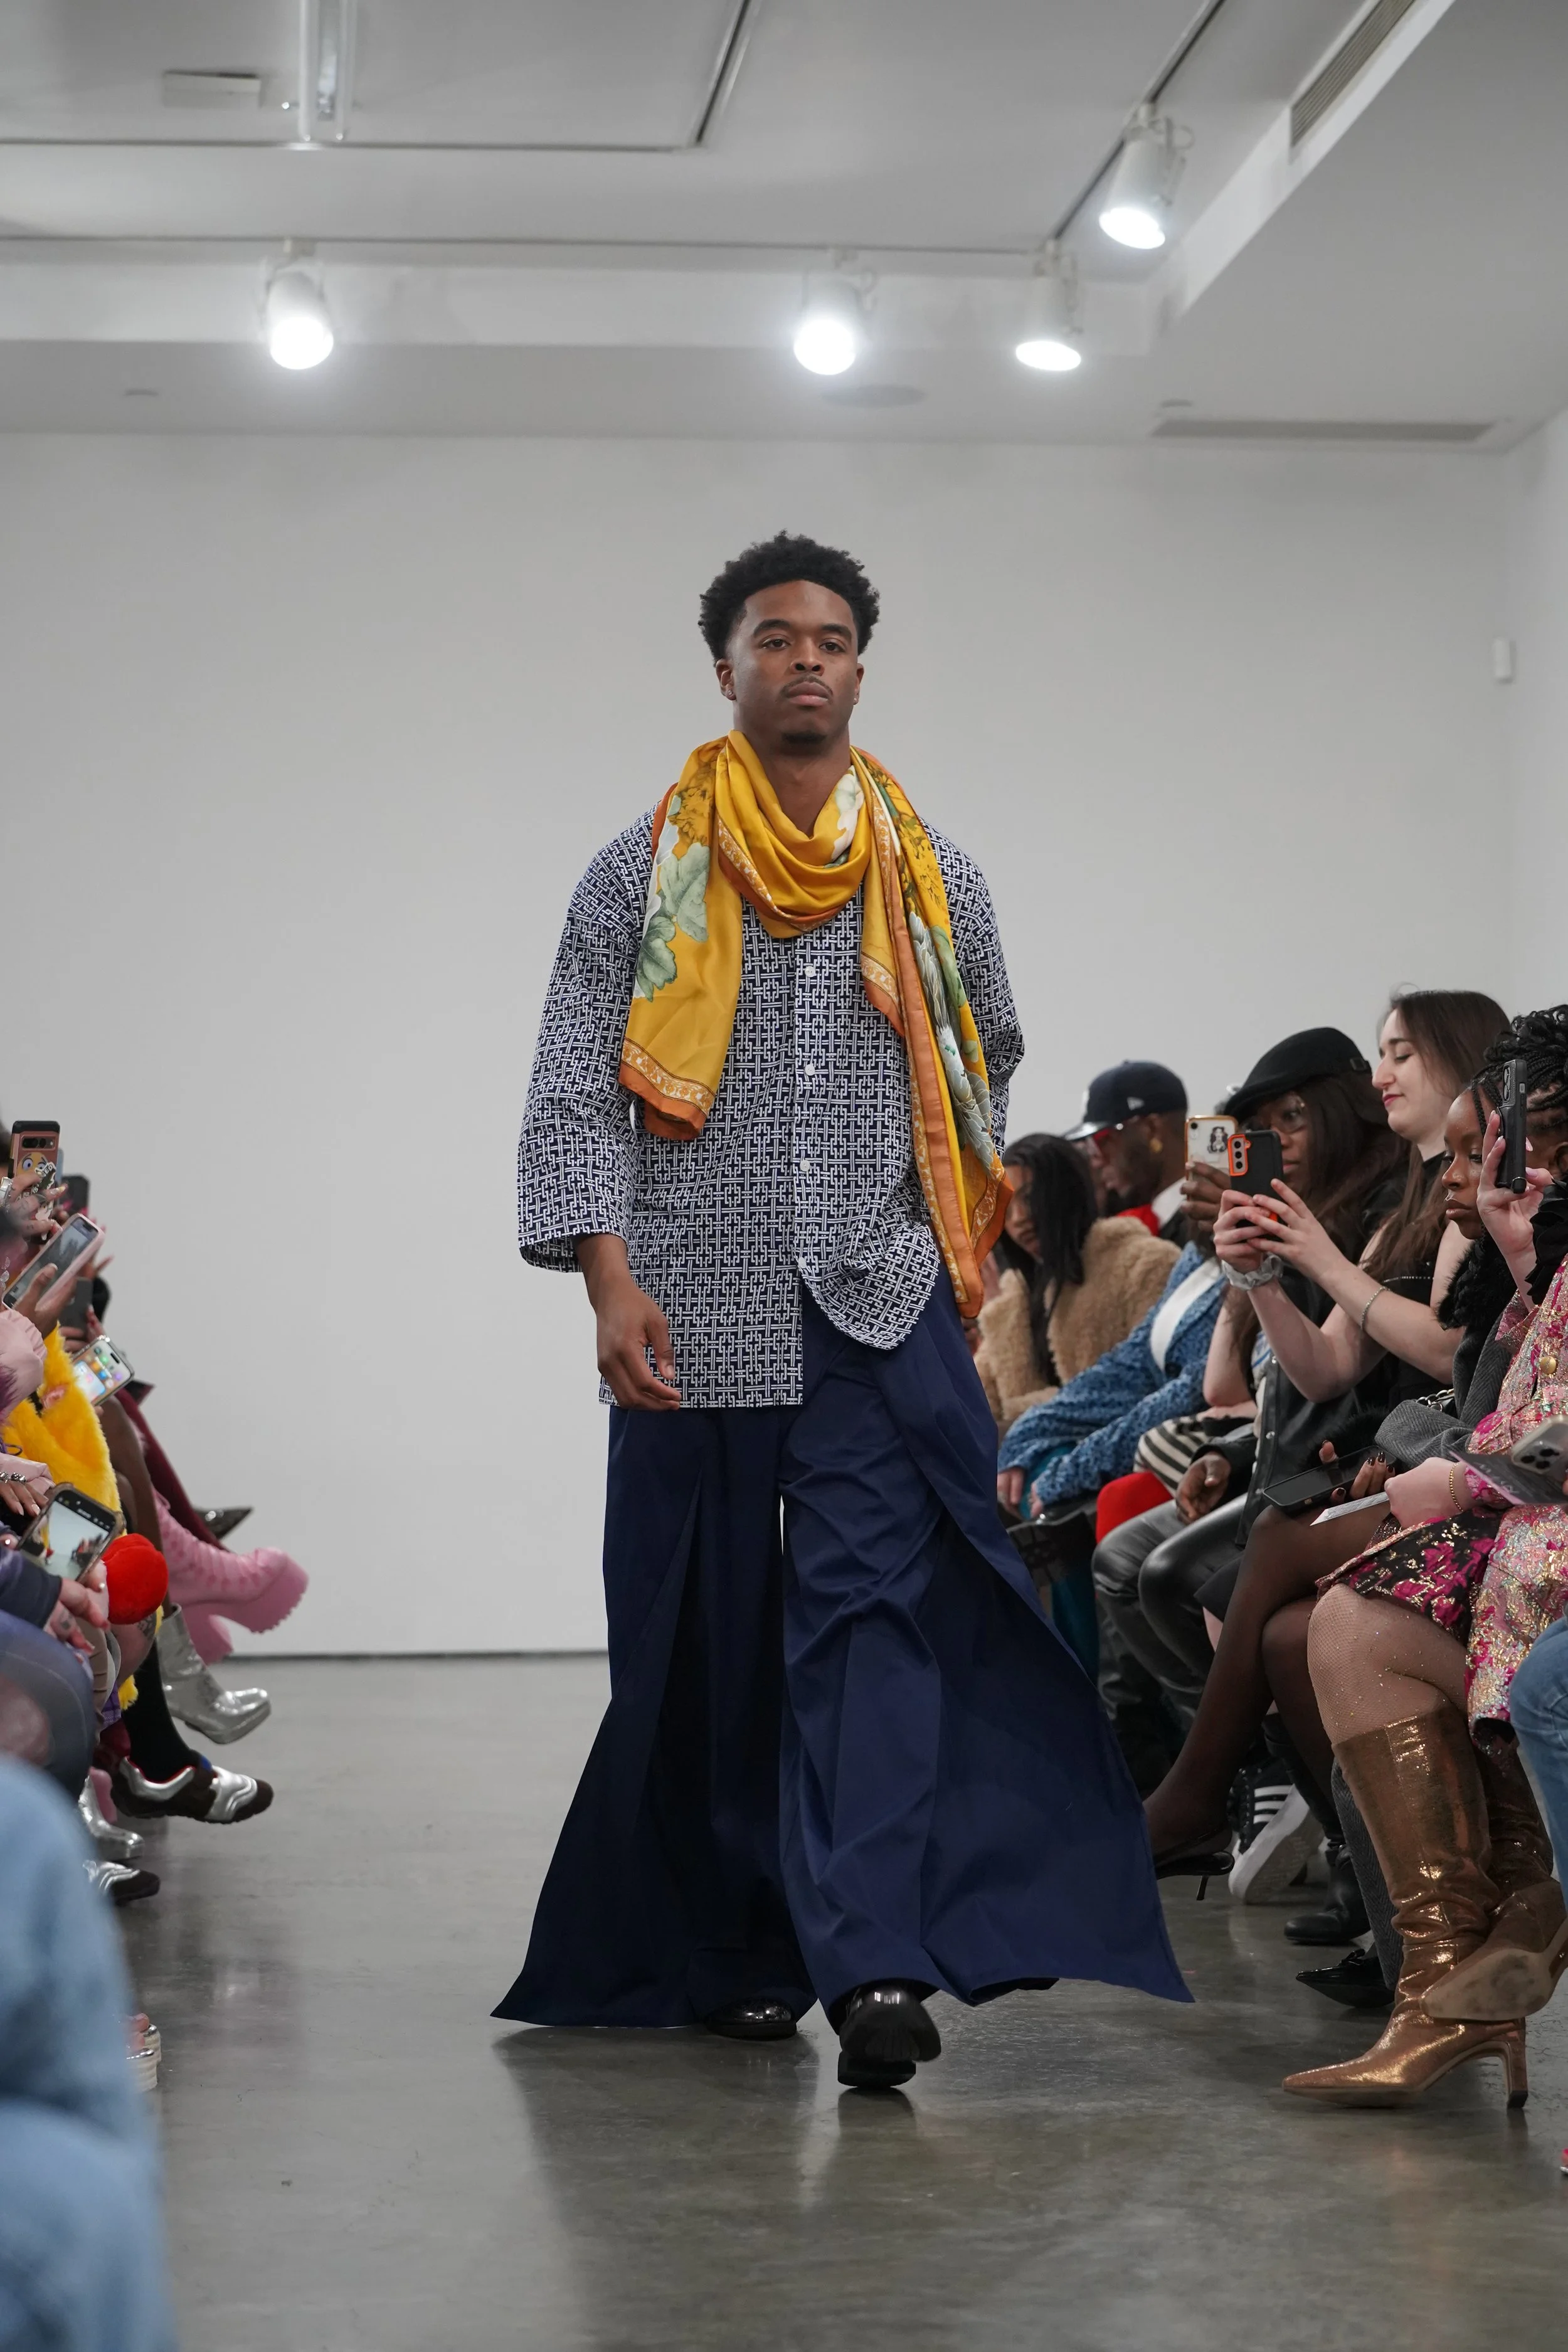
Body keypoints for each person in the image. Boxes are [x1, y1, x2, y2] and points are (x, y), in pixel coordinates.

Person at [494, 530, 1186, 2090]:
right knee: (710, 1635)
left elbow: (987, 1045)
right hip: (691, 1307)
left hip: (877, 1308)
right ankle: (736, 1944)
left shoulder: (933, 872)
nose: (804, 659)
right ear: (725, 666)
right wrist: (606, 1277)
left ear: (861, 668)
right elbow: (570, 1087)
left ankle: (871, 1955)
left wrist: (925, 1215)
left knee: (877, 1626)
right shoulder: (637, 871)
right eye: (774, 637)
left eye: (829, 640)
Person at [1137, 1002, 1505, 1877]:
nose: (1381, 1075)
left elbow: (1450, 1350)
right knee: (1259, 1620)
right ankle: (1362, 1867)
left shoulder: (1479, 1199)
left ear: (1458, 1057)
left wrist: (1318, 1256)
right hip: (1410, 1457)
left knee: (1253, 1558)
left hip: (1452, 1466)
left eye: (1400, 1053)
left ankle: (1203, 1798)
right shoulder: (1407, 1207)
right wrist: (1258, 1276)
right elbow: (1325, 1368)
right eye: (1379, 1054)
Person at [975, 1132, 1177, 1430]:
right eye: (1006, 1204)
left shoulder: (1144, 1265)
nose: (1018, 1218)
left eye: (1031, 1198)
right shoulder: (1015, 1297)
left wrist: (1026, 1414)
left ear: (1067, 1192)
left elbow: (1151, 1386)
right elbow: (974, 1400)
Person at [1065, 1061, 1190, 1240]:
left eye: (1102, 1141)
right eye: (1089, 1145)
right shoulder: (1140, 1227)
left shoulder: (1210, 1226)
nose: (1097, 1160)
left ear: (1151, 1129)